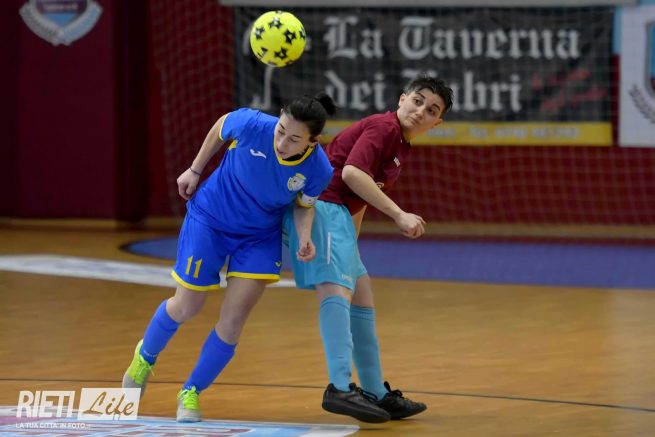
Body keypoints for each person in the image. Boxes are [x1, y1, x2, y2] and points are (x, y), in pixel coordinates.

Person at [122, 92, 336, 422]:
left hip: (258, 237)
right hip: (210, 219)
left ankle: (191, 392)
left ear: (313, 141)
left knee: (234, 321)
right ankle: (144, 359)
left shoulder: (318, 169)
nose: (282, 143)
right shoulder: (251, 123)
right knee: (186, 306)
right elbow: (220, 128)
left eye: (294, 139)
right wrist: (194, 170)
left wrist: (304, 237)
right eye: (281, 130)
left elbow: (303, 207)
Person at [283, 74, 454, 423]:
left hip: (338, 217)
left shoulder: (401, 144)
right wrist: (399, 214)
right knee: (336, 290)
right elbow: (352, 174)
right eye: (417, 101)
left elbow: (359, 198)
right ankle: (339, 386)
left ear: (437, 123)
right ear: (402, 99)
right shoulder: (384, 127)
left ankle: (375, 391)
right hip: (321, 207)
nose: (421, 111)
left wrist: (351, 246)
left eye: (431, 110)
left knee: (362, 292)